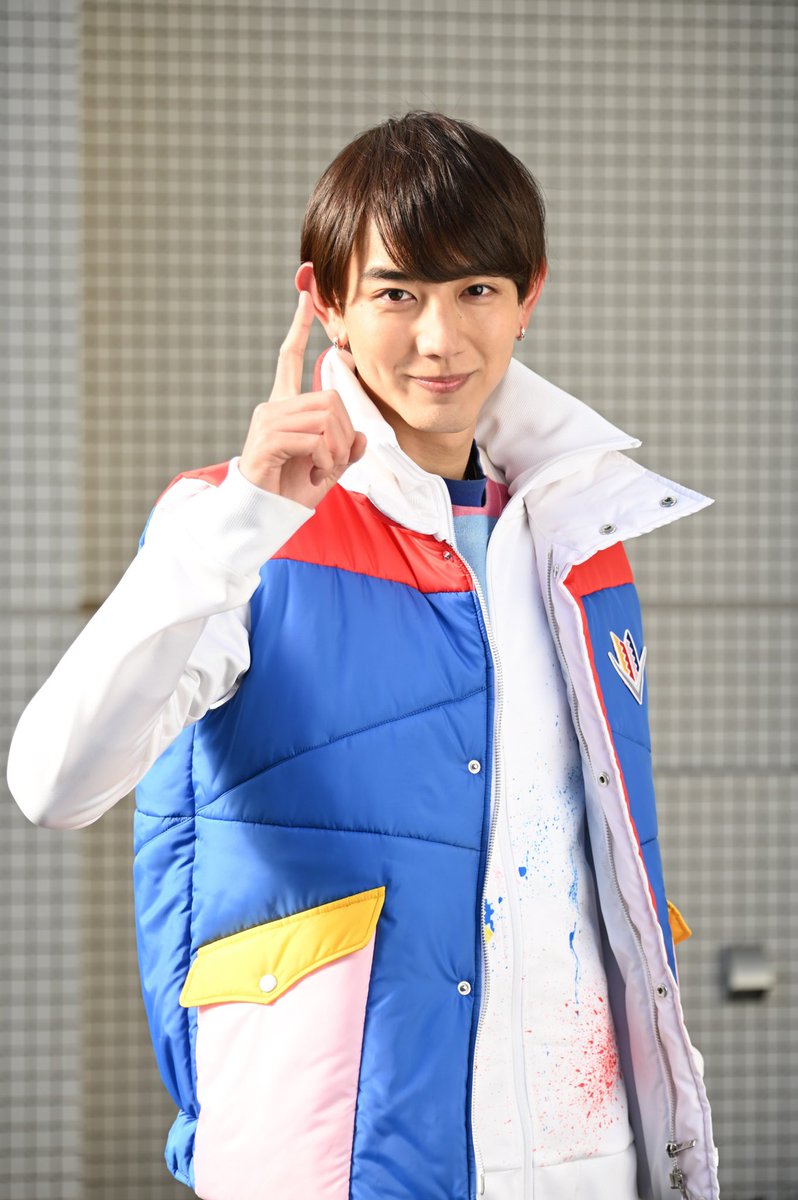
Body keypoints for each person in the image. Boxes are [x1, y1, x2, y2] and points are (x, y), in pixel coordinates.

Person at [7, 111, 719, 1200]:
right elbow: (54, 784)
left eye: (476, 290)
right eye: (397, 293)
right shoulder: (236, 529)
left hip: (590, 1159)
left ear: (529, 296)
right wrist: (243, 523)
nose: (440, 340)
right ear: (327, 303)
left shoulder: (580, 543)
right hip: (336, 1166)